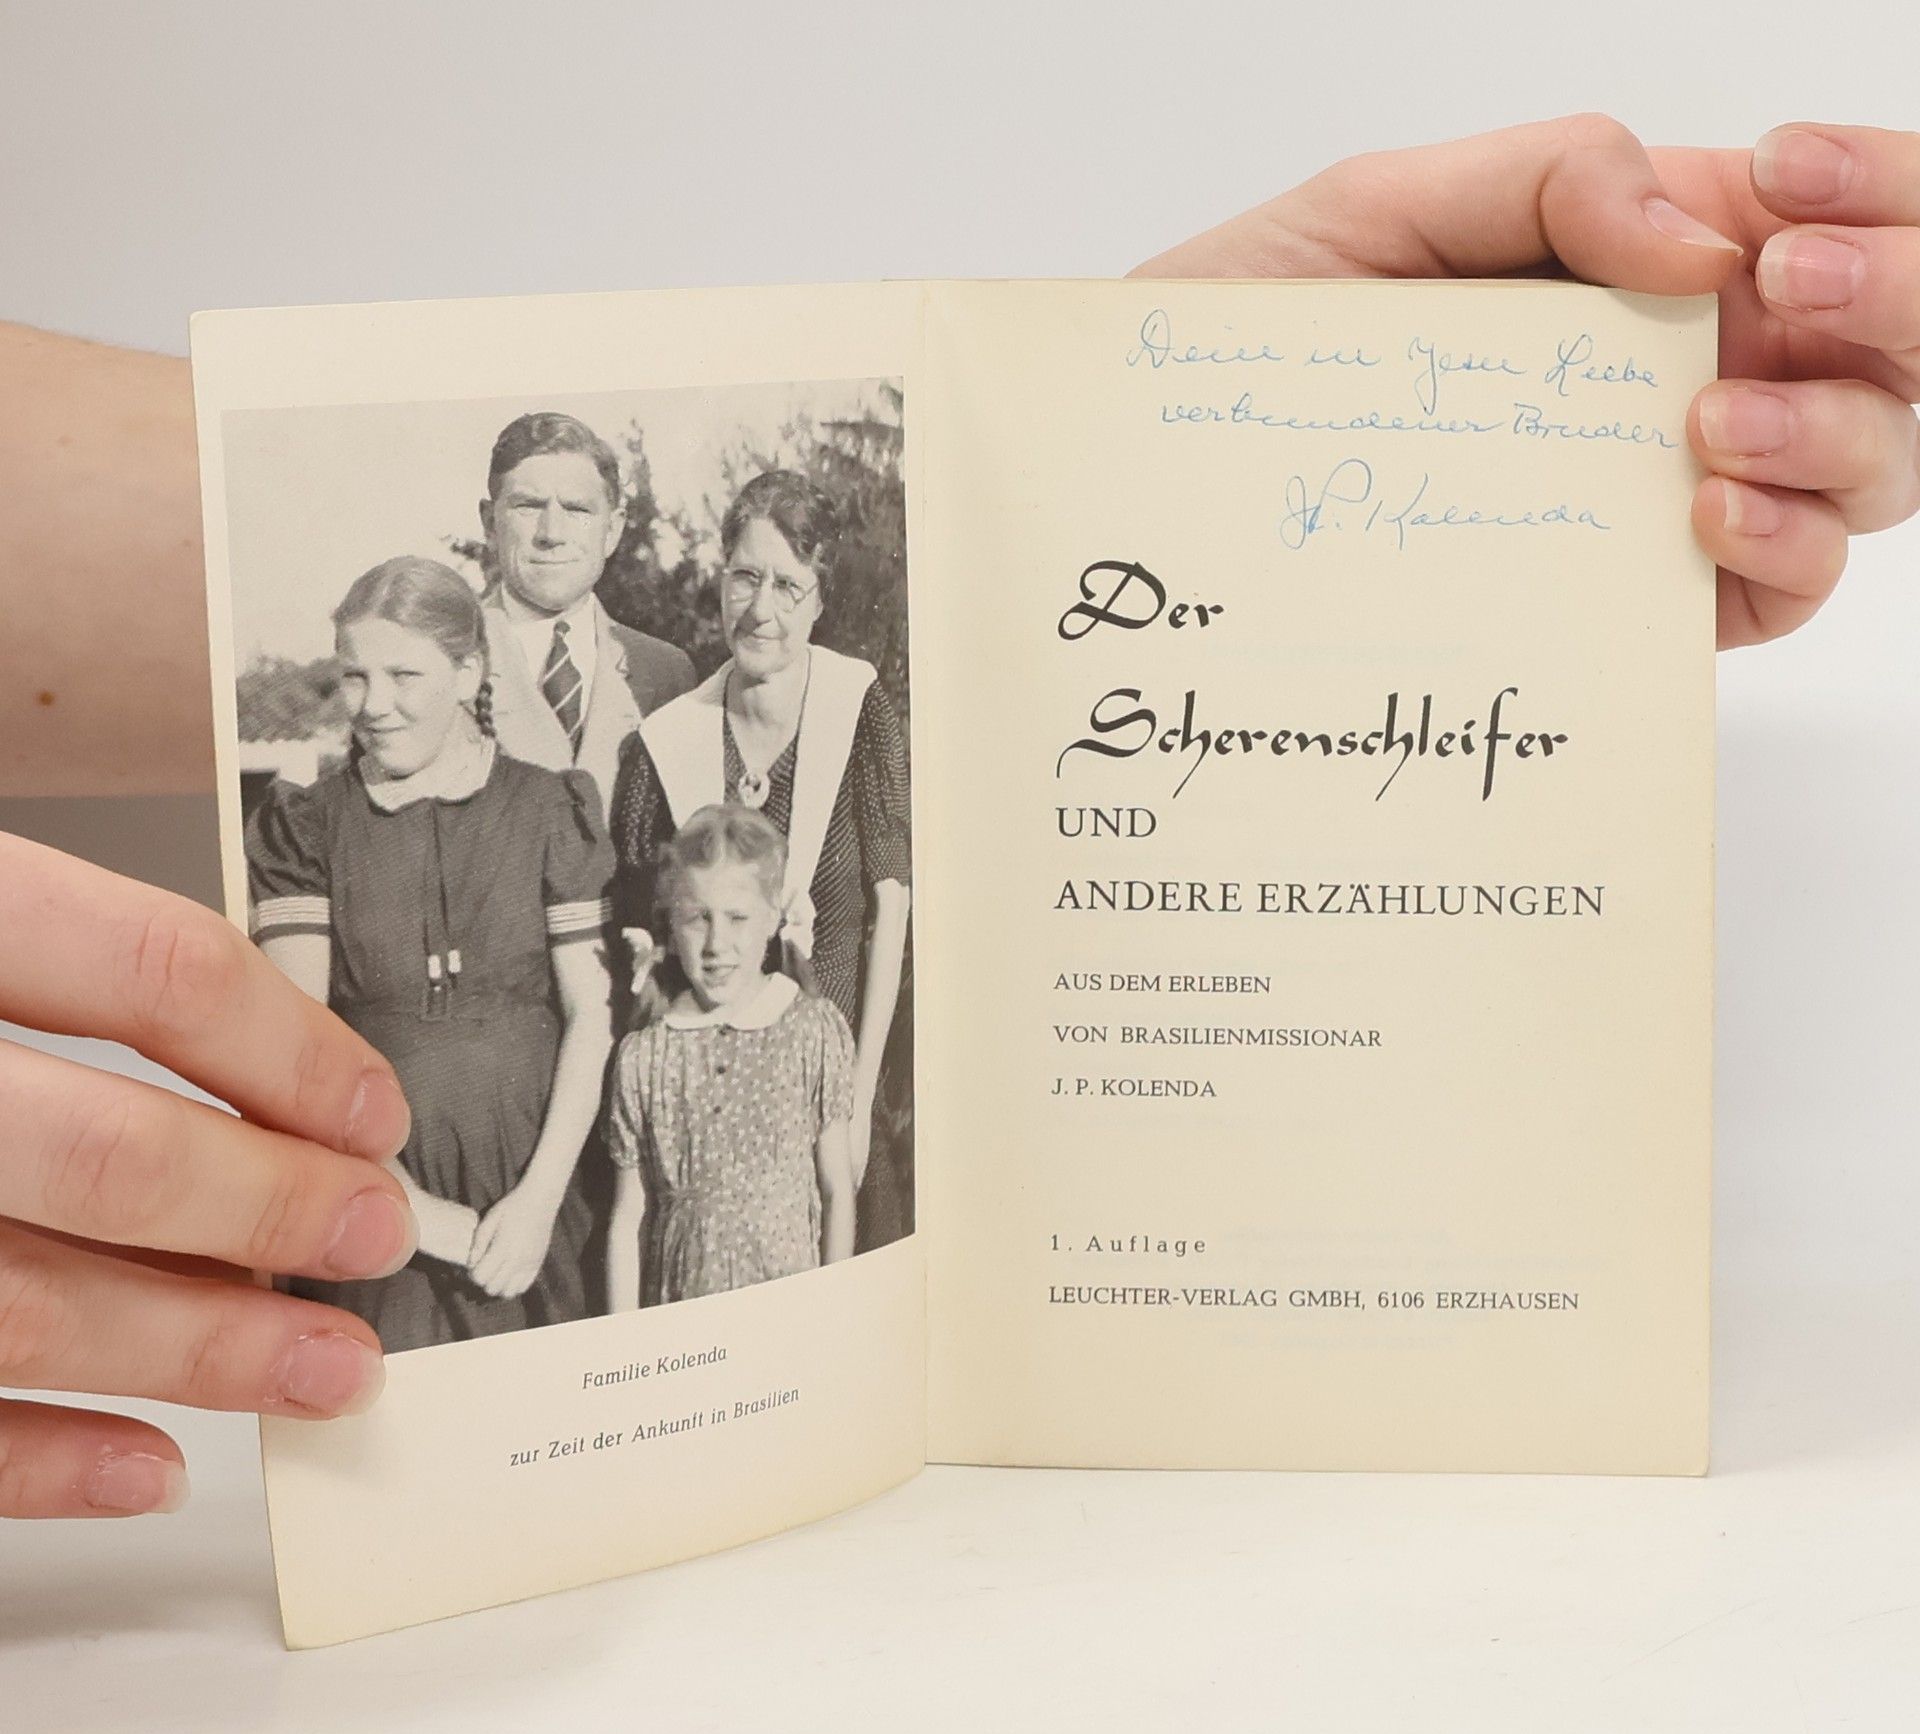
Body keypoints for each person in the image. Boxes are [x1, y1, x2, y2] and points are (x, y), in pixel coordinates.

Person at [3, 115, 1917, 1516]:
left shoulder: (708, 682)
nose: (752, 606)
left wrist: (1122, 412)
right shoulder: (536, 714)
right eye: (533, 521)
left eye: (774, 580)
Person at [247, 555, 616, 1351]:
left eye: (403, 675)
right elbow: (299, 1048)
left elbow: (592, 1016)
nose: (374, 705)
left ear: (467, 672)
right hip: (380, 1214)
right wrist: (416, 1213)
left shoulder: (549, 809)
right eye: (355, 676)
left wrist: (538, 1203)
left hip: (537, 1210)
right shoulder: (308, 827)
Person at [608, 471, 913, 1241]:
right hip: (711, 1118)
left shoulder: (857, 709)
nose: (761, 609)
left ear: (819, 600)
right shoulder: (668, 741)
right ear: (720, 581)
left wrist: (856, 1105)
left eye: (788, 585)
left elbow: (892, 908)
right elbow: (644, 939)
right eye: (744, 577)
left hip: (832, 1098)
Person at [605, 805, 857, 1310]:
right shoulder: (646, 1057)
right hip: (684, 1312)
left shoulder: (810, 1031)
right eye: (698, 918)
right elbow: (629, 1218)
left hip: (789, 1306)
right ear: (671, 924)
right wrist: (623, 1339)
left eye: (737, 918)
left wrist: (833, 1315)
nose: (717, 943)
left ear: (772, 918)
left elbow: (837, 1190)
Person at [479, 411, 696, 814]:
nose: (551, 533)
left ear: (612, 530)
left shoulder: (665, 673)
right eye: (528, 506)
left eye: (577, 510)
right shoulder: (444, 660)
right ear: (490, 524)